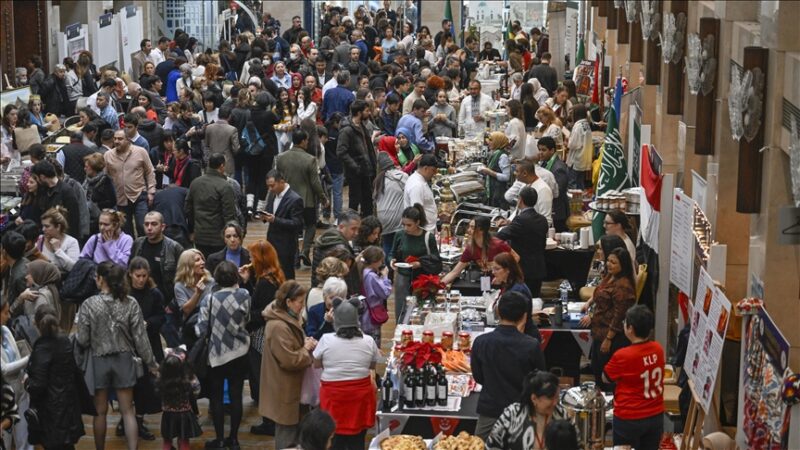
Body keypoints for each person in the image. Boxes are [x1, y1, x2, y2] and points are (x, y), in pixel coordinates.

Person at [76, 262, 157, 450]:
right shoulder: (130, 303)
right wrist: (152, 363)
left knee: (100, 412)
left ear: (100, 279)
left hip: (98, 360)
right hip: (124, 360)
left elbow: (82, 340)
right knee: (128, 410)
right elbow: (141, 339)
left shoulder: (89, 304)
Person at [472, 291, 546, 441]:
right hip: (522, 414)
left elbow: (478, 376)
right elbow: (540, 382)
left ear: (498, 312)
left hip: (490, 411)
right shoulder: (531, 345)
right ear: (524, 316)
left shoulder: (481, 342)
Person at [196, 261, 251, 450]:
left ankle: (219, 439)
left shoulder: (209, 299)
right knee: (237, 396)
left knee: (216, 398)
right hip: (240, 352)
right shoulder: (244, 295)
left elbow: (201, 328)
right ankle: (234, 439)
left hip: (216, 354)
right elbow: (247, 318)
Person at [314, 297, 379, 450]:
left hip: (333, 397)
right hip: (359, 398)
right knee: (357, 440)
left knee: (333, 440)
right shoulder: (368, 341)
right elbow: (372, 365)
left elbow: (316, 364)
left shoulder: (326, 340)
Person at [237, 240, 286, 435]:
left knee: (264, 381)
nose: (249, 260)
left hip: (260, 337)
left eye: (251, 257)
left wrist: (246, 319)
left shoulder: (265, 283)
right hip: (270, 334)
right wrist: (249, 281)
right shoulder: (274, 277)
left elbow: (259, 312)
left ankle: (270, 422)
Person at [260, 280, 316, 450]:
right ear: (288, 302)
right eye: (300, 302)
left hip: (291, 386)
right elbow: (289, 360)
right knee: (287, 435)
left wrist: (304, 343)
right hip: (284, 388)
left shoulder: (288, 318)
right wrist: (306, 349)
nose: (302, 307)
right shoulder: (278, 326)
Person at [603, 305, 665, 450]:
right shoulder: (658, 349)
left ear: (630, 328)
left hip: (629, 417)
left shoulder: (623, 355)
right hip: (655, 415)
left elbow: (606, 377)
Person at [26, 305, 86, 449]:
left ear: (37, 323)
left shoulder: (42, 346)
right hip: (68, 405)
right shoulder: (65, 341)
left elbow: (38, 384)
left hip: (50, 411)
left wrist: (27, 383)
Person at [584, 247, 636, 390]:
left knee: (606, 377)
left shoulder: (623, 286)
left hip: (611, 337)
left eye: (614, 262)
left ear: (623, 265)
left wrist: (608, 338)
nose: (609, 264)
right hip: (598, 331)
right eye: (609, 260)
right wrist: (589, 304)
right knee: (596, 368)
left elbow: (619, 316)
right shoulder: (610, 276)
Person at [275, 130, 329, 266]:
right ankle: (305, 251)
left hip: (286, 199)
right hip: (307, 199)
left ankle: (294, 256)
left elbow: (276, 177)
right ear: (304, 141)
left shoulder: (281, 158)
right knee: (310, 225)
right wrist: (323, 198)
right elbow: (315, 183)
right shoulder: (310, 159)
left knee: (292, 228)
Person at [486, 370, 570, 450]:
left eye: (557, 397)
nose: (555, 403)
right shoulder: (512, 414)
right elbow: (492, 446)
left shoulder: (562, 416)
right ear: (534, 398)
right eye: (551, 398)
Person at [390, 205, 441, 317]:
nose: (405, 228)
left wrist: (419, 263)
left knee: (421, 309)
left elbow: (435, 259)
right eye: (403, 225)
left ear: (417, 222)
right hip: (402, 277)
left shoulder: (428, 237)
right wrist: (391, 261)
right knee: (402, 310)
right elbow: (392, 253)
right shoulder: (399, 235)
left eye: (409, 225)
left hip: (422, 279)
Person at [497, 187, 548, 297]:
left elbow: (501, 236)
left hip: (523, 269)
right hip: (538, 267)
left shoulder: (520, 220)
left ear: (520, 200)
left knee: (522, 300)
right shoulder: (543, 220)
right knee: (535, 300)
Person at [104, 129, 156, 237]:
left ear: (128, 140)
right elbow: (105, 177)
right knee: (125, 230)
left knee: (142, 225)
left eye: (120, 139)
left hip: (139, 195)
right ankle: (130, 251)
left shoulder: (141, 152)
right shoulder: (108, 155)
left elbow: (149, 171)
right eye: (115, 139)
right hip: (120, 198)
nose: (117, 141)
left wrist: (151, 191)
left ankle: (145, 250)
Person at [185, 153, 237, 257]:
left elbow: (188, 209)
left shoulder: (195, 183)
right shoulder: (225, 186)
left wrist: (192, 230)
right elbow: (229, 215)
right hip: (218, 238)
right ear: (222, 166)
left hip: (199, 235)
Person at [130, 211, 184, 311]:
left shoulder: (174, 247)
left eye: (154, 224)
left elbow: (183, 278)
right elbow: (130, 271)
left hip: (166, 304)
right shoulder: (137, 244)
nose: (149, 228)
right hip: (140, 302)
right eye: (146, 224)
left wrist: (173, 304)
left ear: (162, 227)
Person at [0, 298, 32, 450]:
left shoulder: (5, 331)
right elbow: (3, 368)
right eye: (5, 313)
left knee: (24, 436)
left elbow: (16, 354)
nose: (8, 316)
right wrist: (28, 359)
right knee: (5, 438)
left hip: (20, 387)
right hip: (4, 396)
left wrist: (23, 374)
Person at [261, 169, 304, 281]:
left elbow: (297, 223)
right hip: (271, 242)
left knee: (286, 274)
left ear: (282, 181)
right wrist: (264, 217)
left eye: (272, 186)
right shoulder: (272, 194)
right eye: (268, 186)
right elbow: (270, 212)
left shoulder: (295, 199)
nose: (270, 189)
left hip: (286, 245)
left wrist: (275, 220)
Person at [442, 216, 513, 284]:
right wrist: (439, 285)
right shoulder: (470, 249)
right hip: (485, 282)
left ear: (482, 230)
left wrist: (501, 277)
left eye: (472, 227)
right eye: (469, 227)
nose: (468, 230)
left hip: (504, 283)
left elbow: (516, 258)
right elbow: (455, 272)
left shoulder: (498, 244)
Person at [157, 347, 202, 450]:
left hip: (167, 415)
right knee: (184, 440)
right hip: (184, 414)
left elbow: (158, 392)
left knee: (167, 440)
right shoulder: (188, 379)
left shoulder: (162, 379)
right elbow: (197, 390)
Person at [337, 100, 376, 216]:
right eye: (367, 111)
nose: (369, 113)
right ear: (359, 113)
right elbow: (341, 151)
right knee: (354, 201)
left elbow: (368, 148)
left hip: (366, 170)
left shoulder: (362, 126)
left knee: (367, 200)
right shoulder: (347, 130)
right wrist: (355, 167)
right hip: (355, 172)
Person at [128, 257, 166, 363]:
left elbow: (161, 316)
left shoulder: (155, 294)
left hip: (151, 340)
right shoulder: (124, 293)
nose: (141, 280)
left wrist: (148, 323)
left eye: (144, 276)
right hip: (129, 342)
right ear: (130, 274)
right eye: (138, 276)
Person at [31, 160, 82, 238]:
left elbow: (74, 220)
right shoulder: (42, 190)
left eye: (36, 178)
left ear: (42, 177)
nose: (37, 181)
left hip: (62, 238)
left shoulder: (66, 191)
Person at [311, 209, 360, 287]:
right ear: (341, 227)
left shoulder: (325, 237)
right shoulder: (340, 250)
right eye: (353, 229)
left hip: (319, 288)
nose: (356, 233)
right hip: (334, 292)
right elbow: (346, 277)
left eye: (358, 229)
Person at [374, 151, 408, 260]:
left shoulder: (378, 181)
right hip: (397, 218)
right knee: (399, 245)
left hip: (382, 219)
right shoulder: (401, 176)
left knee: (387, 244)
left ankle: (387, 269)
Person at [504, 158, 554, 226]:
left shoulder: (543, 190)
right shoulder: (524, 185)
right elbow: (519, 209)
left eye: (517, 171)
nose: (514, 173)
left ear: (525, 173)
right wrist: (508, 221)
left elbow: (546, 221)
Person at [359, 245, 392, 343]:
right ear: (375, 262)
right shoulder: (372, 276)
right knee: (374, 343)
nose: (382, 263)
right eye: (381, 261)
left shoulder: (362, 271)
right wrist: (385, 276)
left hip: (364, 313)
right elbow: (385, 292)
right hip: (371, 316)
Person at [538, 136, 570, 232]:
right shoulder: (544, 163)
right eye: (539, 149)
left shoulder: (558, 168)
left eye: (543, 150)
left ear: (552, 150)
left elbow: (558, 192)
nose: (540, 152)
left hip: (557, 212)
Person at [37, 206, 80, 274]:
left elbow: (74, 268)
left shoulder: (71, 242)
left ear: (58, 227)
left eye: (47, 226)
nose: (43, 229)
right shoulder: (40, 240)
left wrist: (58, 250)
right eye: (43, 226)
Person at [82, 152, 117, 234]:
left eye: (87, 167)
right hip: (89, 219)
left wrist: (96, 205)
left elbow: (112, 201)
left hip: (102, 220)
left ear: (93, 168)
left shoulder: (105, 180)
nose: (84, 169)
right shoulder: (87, 181)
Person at [403, 153, 438, 232]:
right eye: (433, 170)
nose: (434, 174)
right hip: (423, 232)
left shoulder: (420, 181)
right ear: (426, 168)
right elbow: (416, 214)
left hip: (428, 230)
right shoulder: (417, 185)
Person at [306, 276, 348, 341]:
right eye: (331, 298)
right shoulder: (314, 311)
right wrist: (327, 323)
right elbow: (311, 337)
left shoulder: (348, 311)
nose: (334, 302)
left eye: (339, 299)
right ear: (324, 296)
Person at [203, 105, 240, 176]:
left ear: (218, 115)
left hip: (211, 162)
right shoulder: (232, 129)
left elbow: (206, 146)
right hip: (226, 163)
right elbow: (236, 149)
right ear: (229, 116)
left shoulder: (209, 128)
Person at [479, 132, 513, 208]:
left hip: (498, 193)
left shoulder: (503, 156)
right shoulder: (495, 153)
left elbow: (506, 177)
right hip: (492, 191)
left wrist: (490, 172)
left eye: (491, 140)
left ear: (498, 142)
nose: (488, 142)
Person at [566, 104, 592, 189]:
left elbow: (573, 144)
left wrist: (567, 142)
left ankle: (574, 201)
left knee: (572, 183)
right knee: (580, 182)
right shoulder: (586, 124)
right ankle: (580, 201)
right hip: (583, 158)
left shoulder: (578, 127)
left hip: (576, 159)